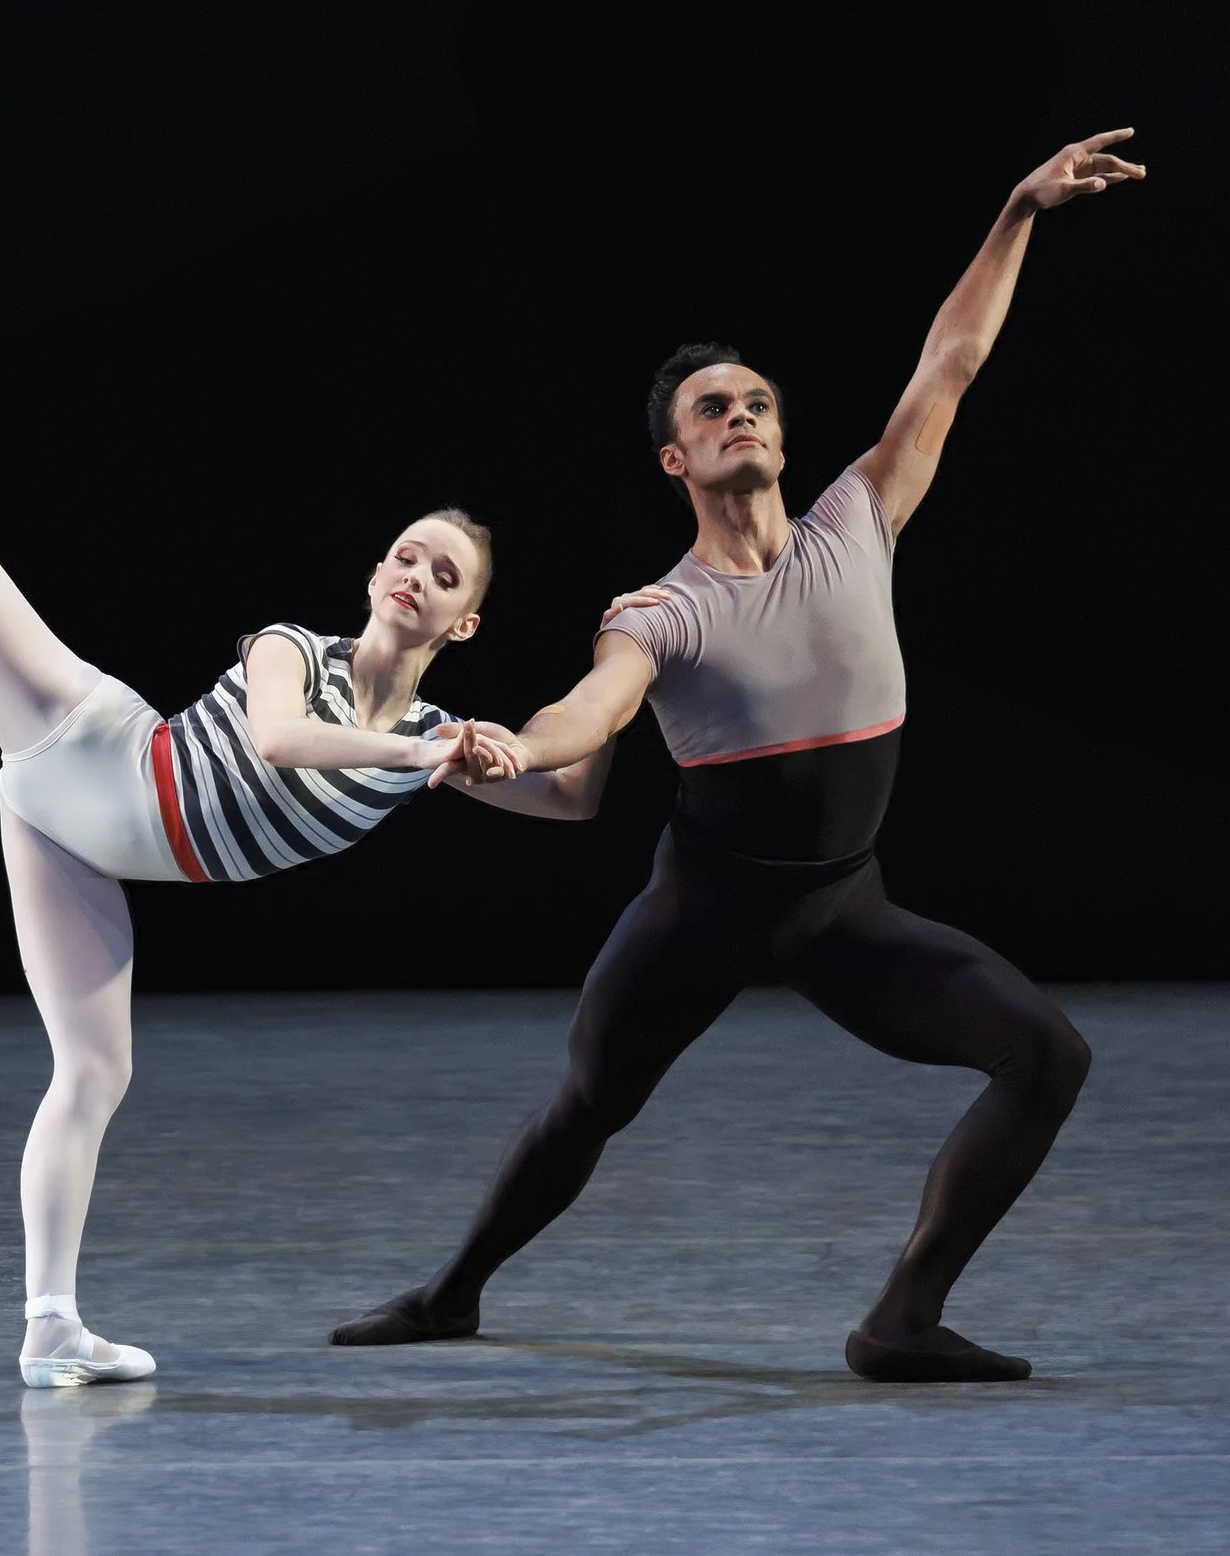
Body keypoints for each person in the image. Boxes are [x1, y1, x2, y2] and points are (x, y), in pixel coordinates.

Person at [0, 130, 592, 1387]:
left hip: (76, 843)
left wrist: (631, 675)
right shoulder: (304, 656)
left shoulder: (423, 744)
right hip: (86, 746)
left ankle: (48, 1328)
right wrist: (434, 756)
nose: (415, 572)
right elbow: (279, 742)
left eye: (443, 573)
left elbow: (572, 799)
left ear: (464, 623)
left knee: (93, 1071)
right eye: (405, 553)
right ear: (374, 572)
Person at [334, 130, 1147, 1382]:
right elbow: (590, 714)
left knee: (1047, 1056)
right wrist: (508, 748)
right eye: (712, 408)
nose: (742, 416)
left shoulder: (858, 519)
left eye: (757, 401)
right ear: (676, 458)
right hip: (700, 917)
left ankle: (899, 1322)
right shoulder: (662, 611)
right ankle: (452, 1295)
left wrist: (1019, 208)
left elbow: (953, 358)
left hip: (842, 912)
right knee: (589, 1106)